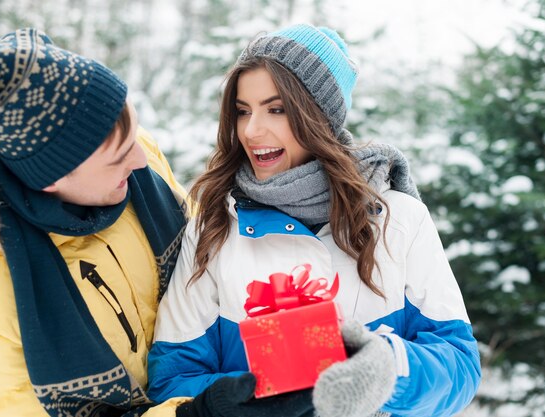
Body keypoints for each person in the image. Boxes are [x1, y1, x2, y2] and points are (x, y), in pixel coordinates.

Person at [147, 24, 481, 417]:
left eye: (277, 109)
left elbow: (459, 365)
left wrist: (388, 369)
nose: (252, 131)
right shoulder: (216, 228)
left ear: (319, 116)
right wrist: (240, 405)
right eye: (242, 111)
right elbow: (172, 378)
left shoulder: (398, 219)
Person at [0, 28, 193, 416]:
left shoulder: (129, 158)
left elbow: (202, 254)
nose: (140, 161)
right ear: (51, 179)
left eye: (135, 134)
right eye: (119, 157)